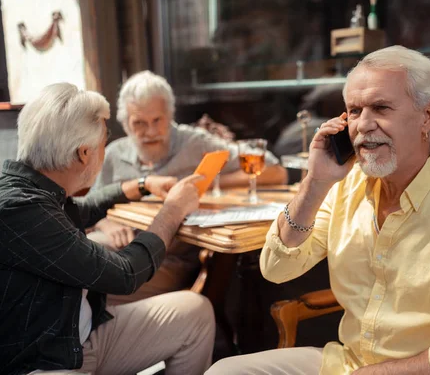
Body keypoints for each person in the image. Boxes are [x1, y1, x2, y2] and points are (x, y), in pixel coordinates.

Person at [206, 45, 430, 374]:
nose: (363, 125)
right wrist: (316, 182)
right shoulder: (345, 185)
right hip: (347, 364)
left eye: (381, 108)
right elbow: (276, 268)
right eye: (354, 111)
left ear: (427, 116)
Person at [0, 83, 215, 374]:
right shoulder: (20, 209)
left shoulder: (37, 189)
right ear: (84, 153)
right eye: (105, 140)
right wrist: (173, 211)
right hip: (45, 361)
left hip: (77, 334)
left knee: (196, 312)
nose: (107, 146)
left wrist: (142, 185)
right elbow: (126, 274)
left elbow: (87, 209)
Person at [90, 70, 288, 304]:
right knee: (82, 261)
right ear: (125, 124)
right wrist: (107, 223)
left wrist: (204, 180)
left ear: (170, 115)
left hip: (169, 260)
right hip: (119, 245)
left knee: (91, 286)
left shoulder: (194, 142)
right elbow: (90, 206)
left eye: (158, 120)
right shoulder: (114, 154)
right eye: (140, 123)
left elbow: (276, 172)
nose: (151, 131)